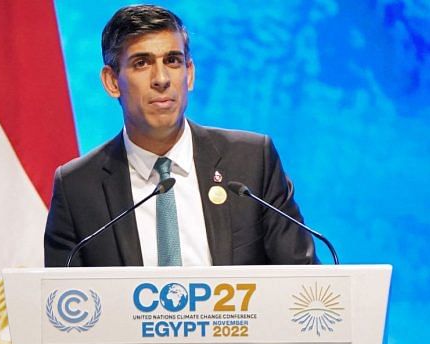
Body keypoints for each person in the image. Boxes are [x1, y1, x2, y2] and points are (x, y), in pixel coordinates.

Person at [44, 5, 317, 267]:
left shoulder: (252, 161)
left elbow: (304, 282)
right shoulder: (77, 188)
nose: (161, 78)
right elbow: (62, 305)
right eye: (142, 63)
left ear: (190, 74)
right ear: (112, 82)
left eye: (173, 61)